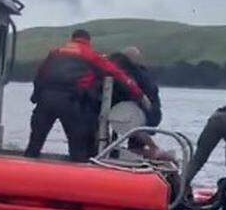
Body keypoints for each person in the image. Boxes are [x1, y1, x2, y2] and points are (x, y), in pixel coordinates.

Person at [24, 29, 150, 162]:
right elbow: (118, 75)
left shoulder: (55, 53)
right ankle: (78, 177)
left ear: (72, 39)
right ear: (88, 41)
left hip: (46, 100)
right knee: (78, 149)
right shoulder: (91, 55)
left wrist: (35, 96)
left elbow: (40, 75)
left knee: (34, 144)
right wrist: (140, 96)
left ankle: (22, 173)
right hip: (71, 101)